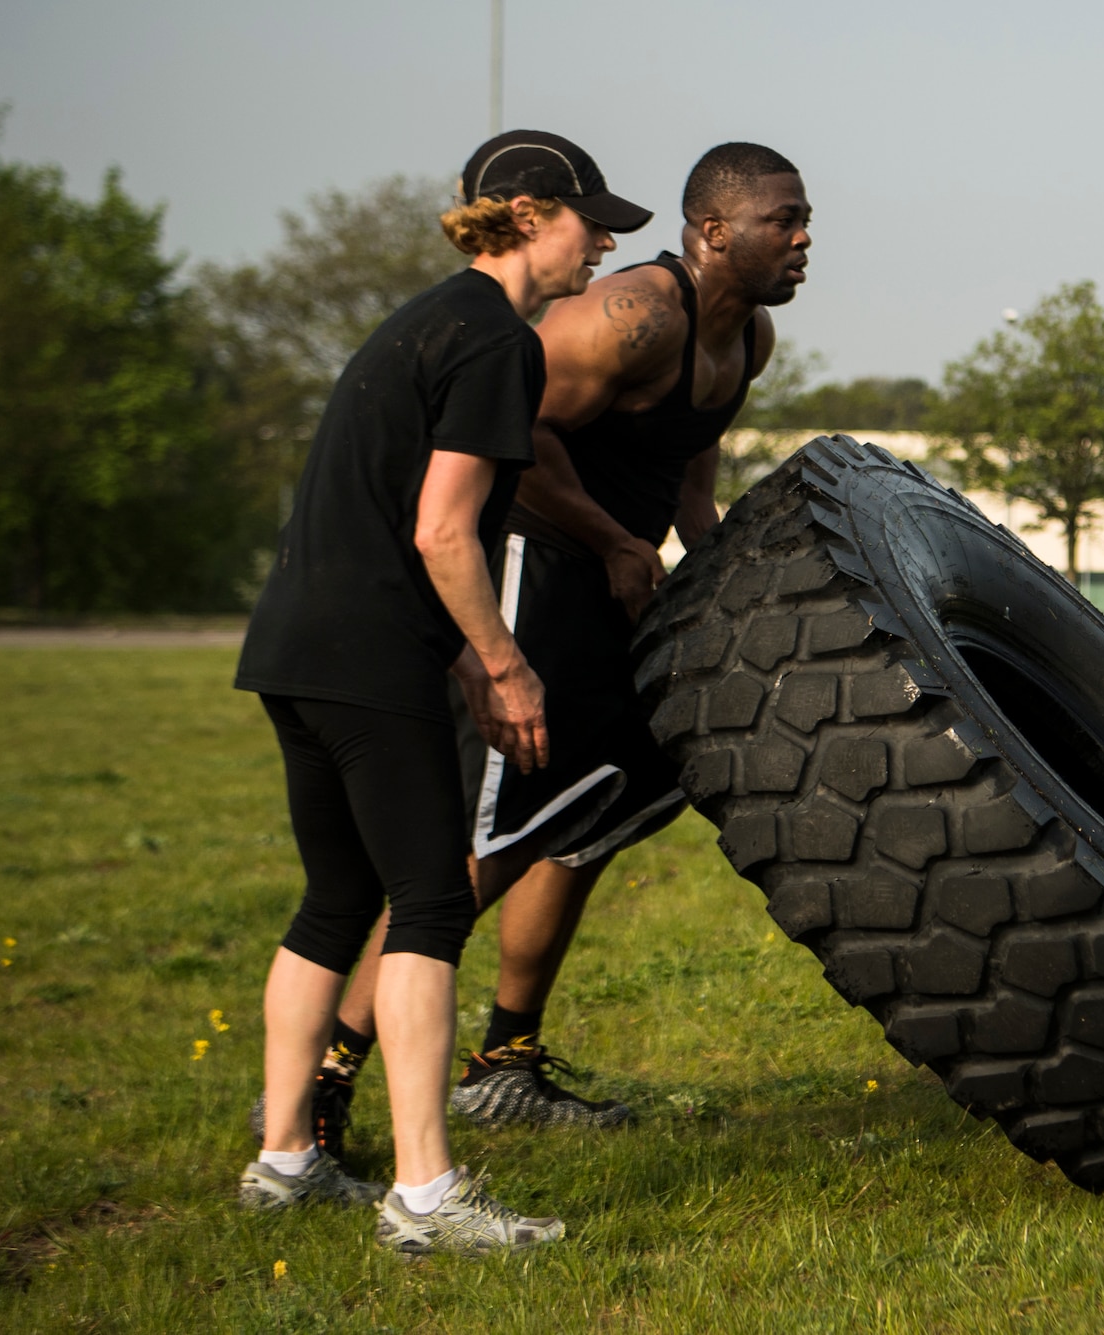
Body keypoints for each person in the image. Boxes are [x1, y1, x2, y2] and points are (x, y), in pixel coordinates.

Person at [303, 142, 812, 1133]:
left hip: (616, 578)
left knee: (594, 815)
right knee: (490, 842)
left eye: (803, 222)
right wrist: (613, 542)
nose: (801, 241)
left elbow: (689, 489)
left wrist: (723, 599)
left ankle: (505, 1061)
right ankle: (325, 1073)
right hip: (532, 570)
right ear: (711, 231)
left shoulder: (744, 339)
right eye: (780, 221)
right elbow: (508, 438)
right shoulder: (628, 319)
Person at [231, 130, 650, 1254]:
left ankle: (284, 1160)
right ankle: (424, 1196)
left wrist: (462, 658)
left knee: (332, 903)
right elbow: (442, 529)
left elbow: (386, 515)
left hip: (294, 644)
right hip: (369, 657)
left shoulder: (419, 320)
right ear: (522, 214)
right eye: (587, 218)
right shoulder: (494, 343)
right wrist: (505, 659)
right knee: (423, 906)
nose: (604, 240)